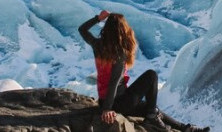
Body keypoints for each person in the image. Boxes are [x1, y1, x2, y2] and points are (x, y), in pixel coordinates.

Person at [79, 10, 210, 132]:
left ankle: (186, 129)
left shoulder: (97, 45)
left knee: (151, 108)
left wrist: (98, 18)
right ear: (122, 30)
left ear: (107, 30)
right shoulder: (119, 54)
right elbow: (113, 83)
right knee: (151, 75)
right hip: (118, 103)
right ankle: (153, 117)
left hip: (106, 101)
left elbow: (82, 29)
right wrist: (107, 109)